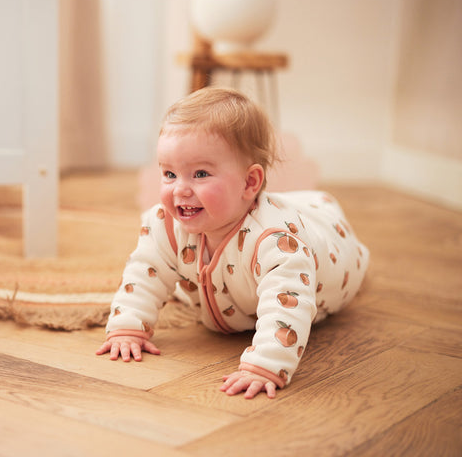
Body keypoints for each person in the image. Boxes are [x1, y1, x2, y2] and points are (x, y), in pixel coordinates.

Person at [95, 87, 369, 399]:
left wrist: (265, 364)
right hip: (235, 288)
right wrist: (128, 326)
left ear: (250, 182)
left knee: (330, 249)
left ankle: (337, 235)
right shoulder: (165, 224)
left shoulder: (277, 240)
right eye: (169, 174)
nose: (180, 190)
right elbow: (145, 271)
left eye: (200, 174)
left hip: (331, 252)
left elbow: (288, 303)